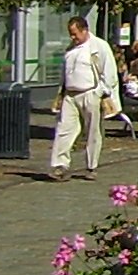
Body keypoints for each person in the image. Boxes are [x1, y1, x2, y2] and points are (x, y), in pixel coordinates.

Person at [50, 16, 117, 180]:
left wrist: (100, 91)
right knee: (64, 129)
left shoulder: (99, 46)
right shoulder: (71, 48)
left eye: (75, 34)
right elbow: (65, 72)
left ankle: (91, 166)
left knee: (93, 131)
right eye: (71, 34)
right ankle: (60, 165)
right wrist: (61, 93)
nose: (73, 37)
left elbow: (109, 72)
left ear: (84, 30)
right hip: (70, 94)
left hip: (90, 92)